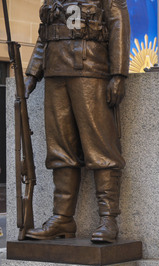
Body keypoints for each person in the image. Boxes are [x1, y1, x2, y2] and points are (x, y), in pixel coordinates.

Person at [23, 0, 130, 243]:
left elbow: (118, 24)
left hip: (91, 70)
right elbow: (46, 34)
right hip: (54, 73)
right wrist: (32, 73)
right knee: (60, 149)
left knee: (101, 147)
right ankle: (62, 218)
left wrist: (118, 74)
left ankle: (108, 219)